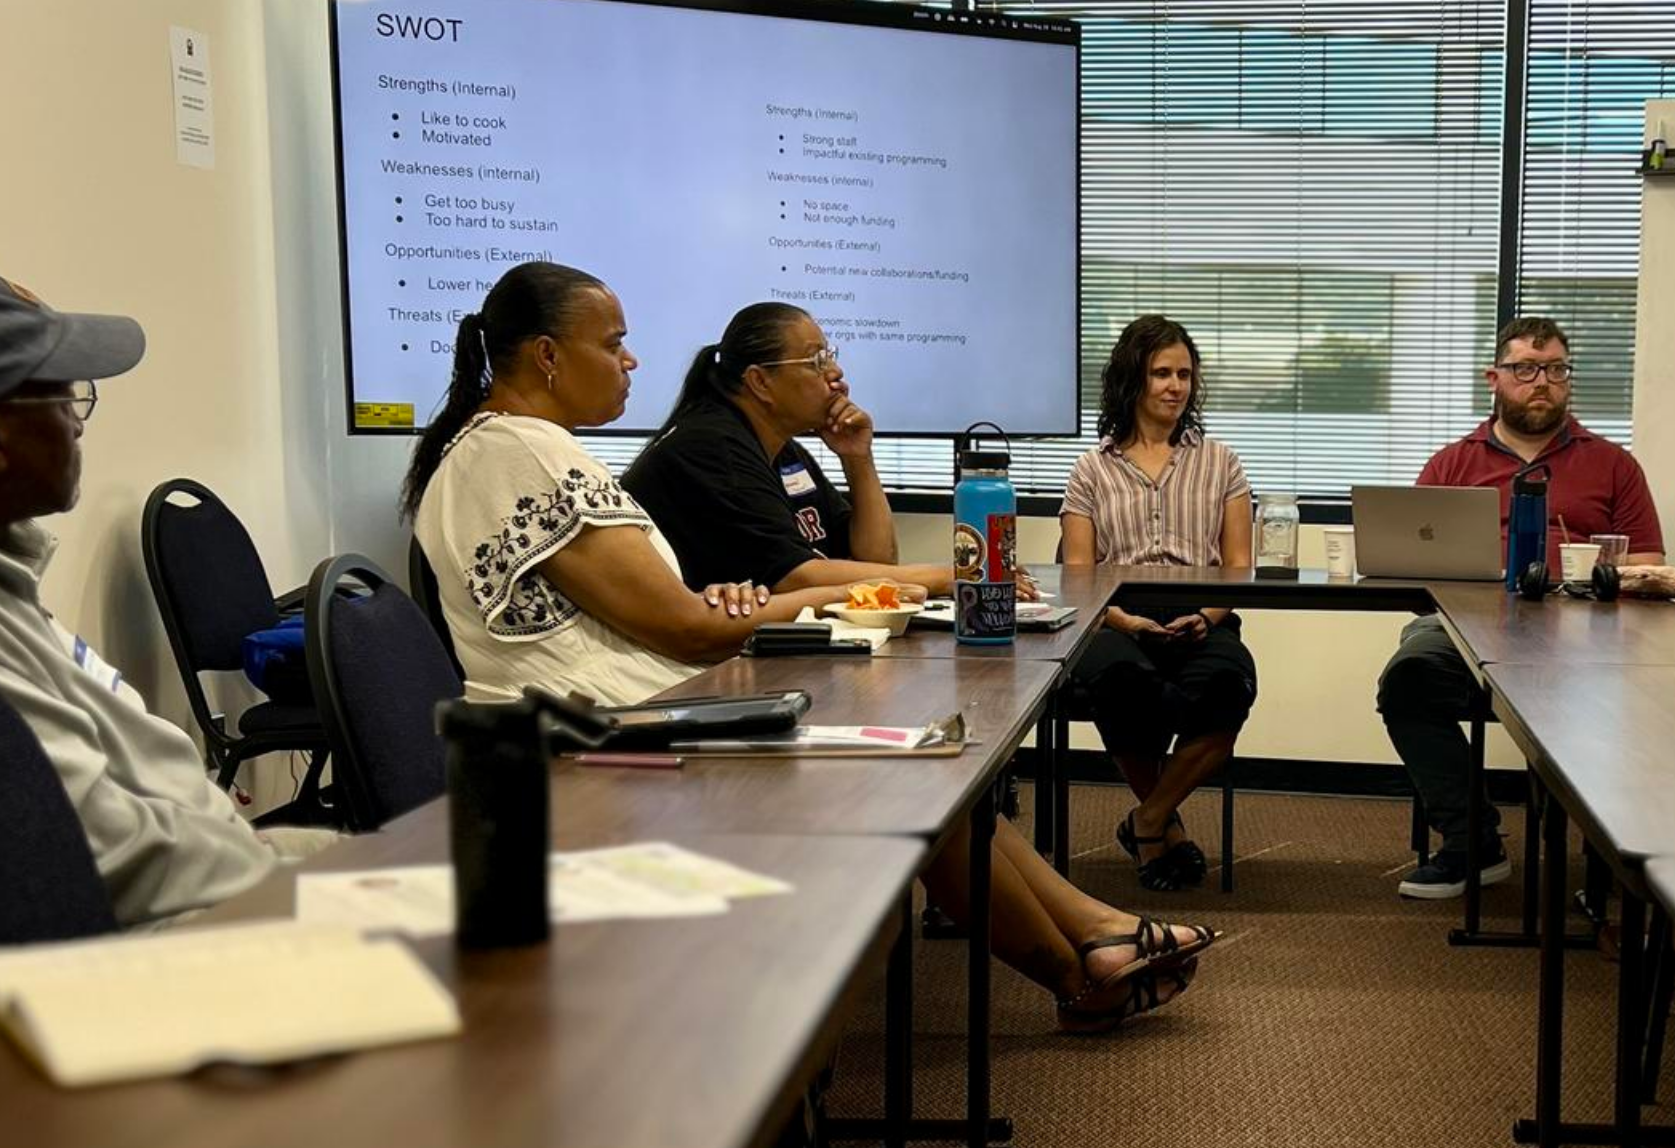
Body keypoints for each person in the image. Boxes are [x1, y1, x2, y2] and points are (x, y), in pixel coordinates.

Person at [406, 261, 1215, 1028]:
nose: (631, 359)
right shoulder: (521, 450)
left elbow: (659, 608)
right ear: (547, 356)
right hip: (610, 732)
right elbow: (683, 629)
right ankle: (1080, 975)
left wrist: (734, 595)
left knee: (923, 763)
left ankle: (1094, 935)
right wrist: (888, 588)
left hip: (645, 705)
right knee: (901, 778)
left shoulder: (514, 447)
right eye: (613, 343)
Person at [0, 276, 276, 924]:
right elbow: (108, 860)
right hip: (171, 942)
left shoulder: (16, 591)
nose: (77, 422)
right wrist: (277, 876)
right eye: (62, 393)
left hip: (216, 873)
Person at [1377, 315, 1665, 898]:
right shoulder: (1453, 464)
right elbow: (1408, 555)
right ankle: (1471, 842)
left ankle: (1607, 870)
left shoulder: (1613, 465)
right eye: (1525, 369)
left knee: (1614, 710)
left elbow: (1651, 562)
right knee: (1408, 680)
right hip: (1464, 626)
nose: (1542, 382)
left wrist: (1595, 578)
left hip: (1583, 635)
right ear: (1494, 377)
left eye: (1556, 370)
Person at [1060, 315, 1257, 891]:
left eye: (1185, 375)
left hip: (1205, 611)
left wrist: (1208, 616)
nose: (1176, 386)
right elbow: (1079, 576)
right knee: (1119, 682)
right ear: (1133, 379)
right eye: (1161, 373)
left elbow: (1239, 567)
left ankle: (1147, 821)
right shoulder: (1091, 468)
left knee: (1229, 687)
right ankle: (1162, 830)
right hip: (1116, 615)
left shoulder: (1221, 462)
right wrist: (1123, 618)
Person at [621, 300, 980, 597]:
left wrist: (858, 459)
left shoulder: (785, 451)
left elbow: (876, 562)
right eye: (816, 361)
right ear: (760, 382)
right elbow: (793, 577)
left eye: (830, 356)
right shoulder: (711, 448)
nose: (835, 372)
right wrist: (951, 575)